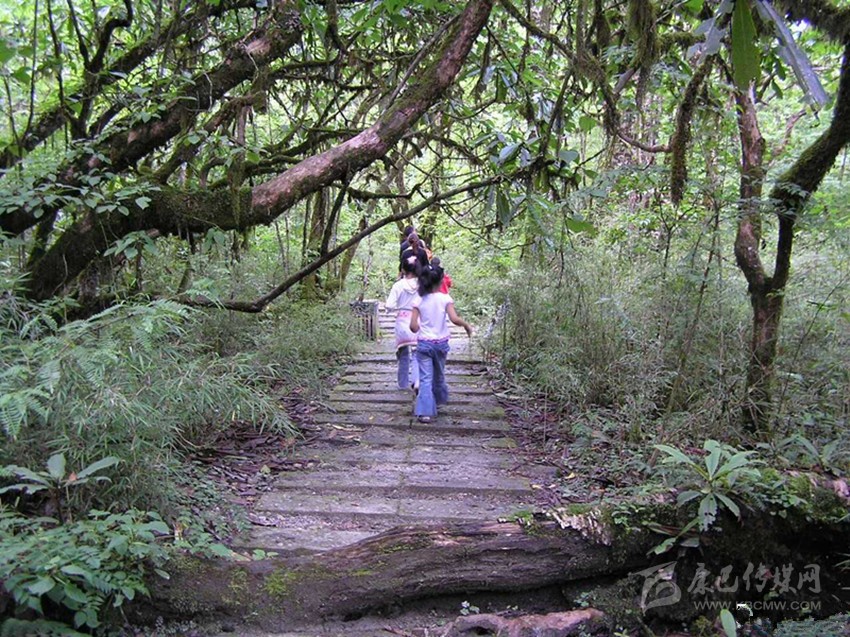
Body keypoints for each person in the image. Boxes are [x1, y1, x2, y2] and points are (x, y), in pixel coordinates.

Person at [409, 264, 472, 423]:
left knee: (425, 378)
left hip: (424, 343)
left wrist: (419, 327)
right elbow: (454, 319)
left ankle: (425, 412)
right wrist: (466, 325)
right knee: (439, 373)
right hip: (441, 344)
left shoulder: (418, 300)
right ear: (441, 281)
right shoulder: (445, 299)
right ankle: (438, 401)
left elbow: (413, 326)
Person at [385, 257, 421, 391]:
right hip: (418, 321)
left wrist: (394, 308)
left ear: (403, 269)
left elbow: (389, 305)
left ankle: (402, 384)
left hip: (402, 321)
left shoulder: (398, 285)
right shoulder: (423, 284)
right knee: (417, 353)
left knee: (403, 353)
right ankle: (417, 381)